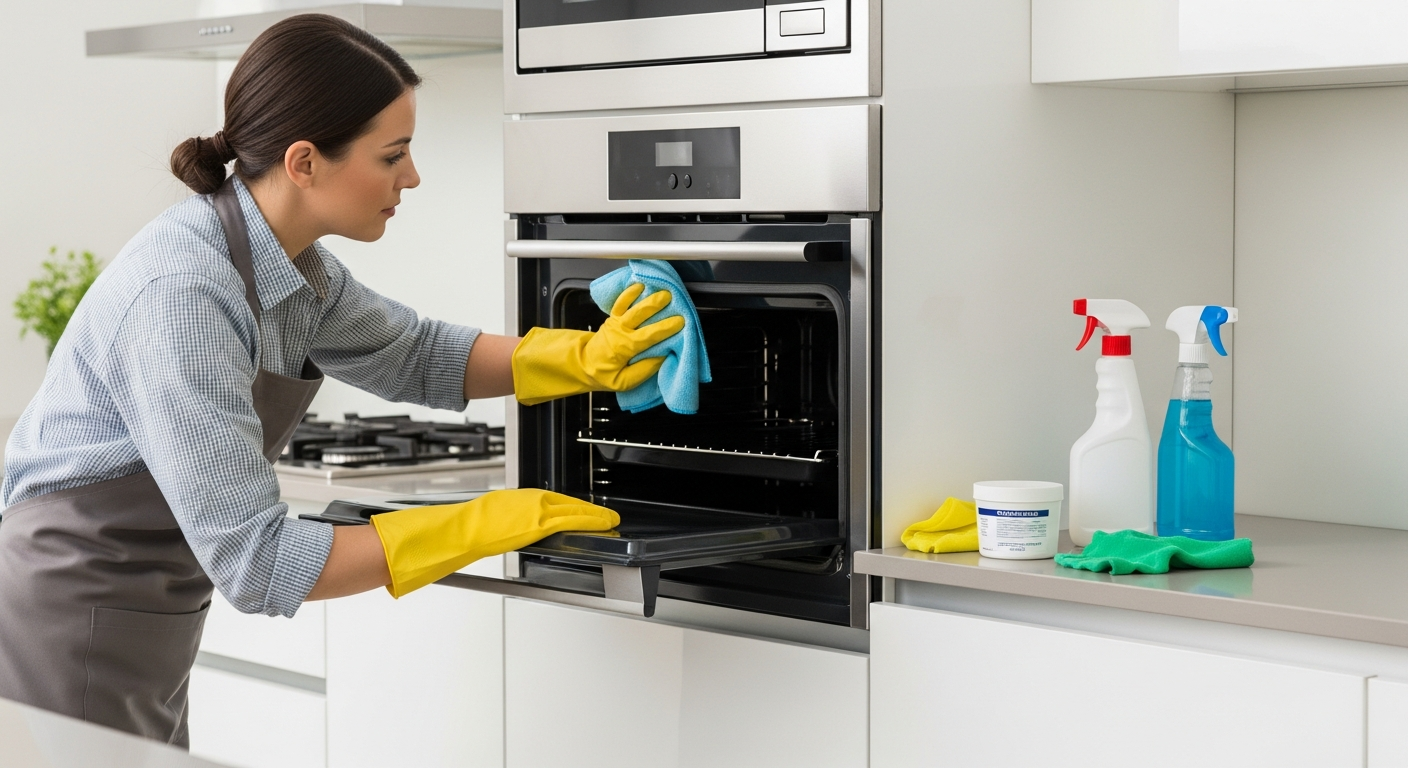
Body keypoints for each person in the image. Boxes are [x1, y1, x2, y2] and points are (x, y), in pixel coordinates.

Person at [0, 14, 683, 746]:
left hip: (142, 614)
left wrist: (584, 357)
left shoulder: (295, 269)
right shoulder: (184, 295)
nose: (411, 177)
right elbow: (259, 564)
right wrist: (481, 523)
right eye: (393, 155)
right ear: (304, 163)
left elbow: (414, 353)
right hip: (71, 625)